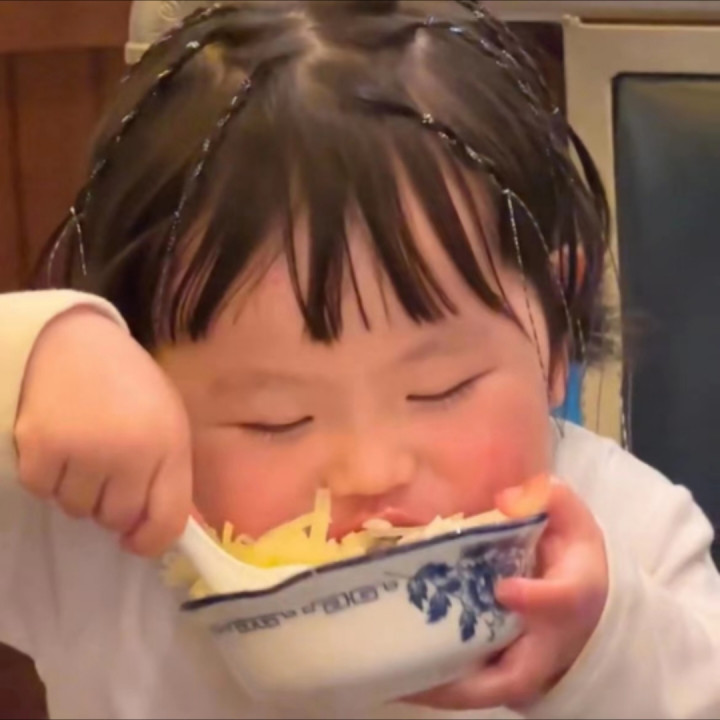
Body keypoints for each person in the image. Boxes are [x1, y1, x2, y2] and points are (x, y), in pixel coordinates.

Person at [0, 2, 718, 717]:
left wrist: (596, 653)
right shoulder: (99, 530)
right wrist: (39, 354)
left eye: (440, 388)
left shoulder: (632, 531)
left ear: (554, 333)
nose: (372, 471)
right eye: (275, 419)